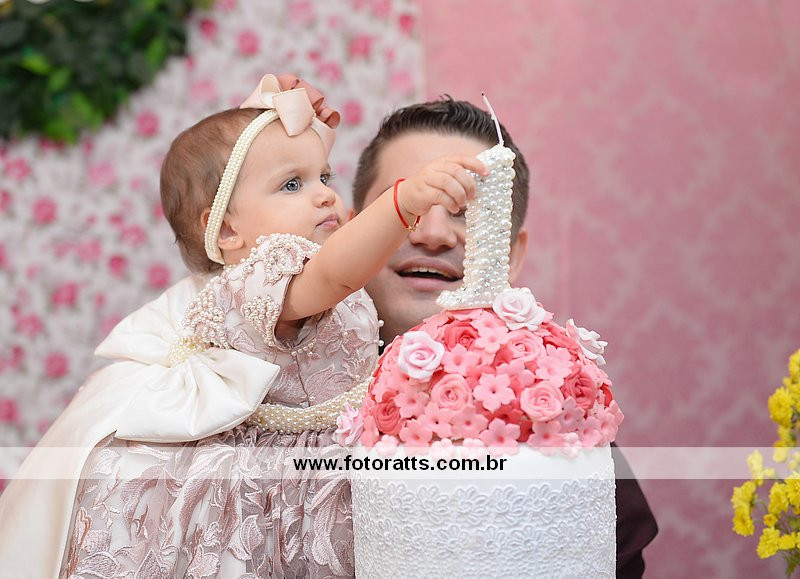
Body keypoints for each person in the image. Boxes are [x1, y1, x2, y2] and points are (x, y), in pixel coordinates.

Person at [0, 75, 486, 578]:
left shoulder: (289, 270)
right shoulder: (262, 279)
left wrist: (274, 144)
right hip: (283, 489)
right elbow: (335, 273)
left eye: (324, 176)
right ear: (228, 230)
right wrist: (403, 203)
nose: (324, 196)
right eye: (292, 185)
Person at [350, 96, 659, 578]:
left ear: (513, 254)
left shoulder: (555, 420)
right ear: (352, 232)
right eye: (408, 204)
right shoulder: (281, 401)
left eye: (466, 211)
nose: (434, 234)